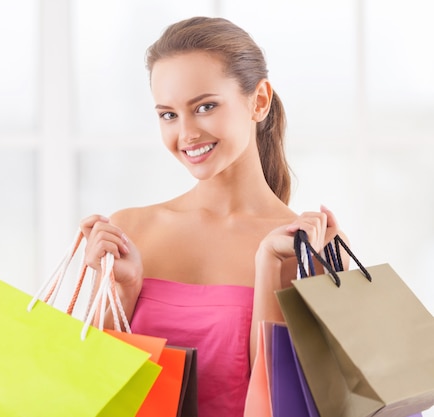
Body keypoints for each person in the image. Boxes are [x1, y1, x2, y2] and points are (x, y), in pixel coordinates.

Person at [79, 16, 344, 417]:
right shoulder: (132, 229)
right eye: (168, 114)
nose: (186, 134)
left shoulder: (306, 246)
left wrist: (268, 267)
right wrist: (124, 290)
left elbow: (283, 407)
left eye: (205, 107)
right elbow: (88, 393)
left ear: (259, 101)